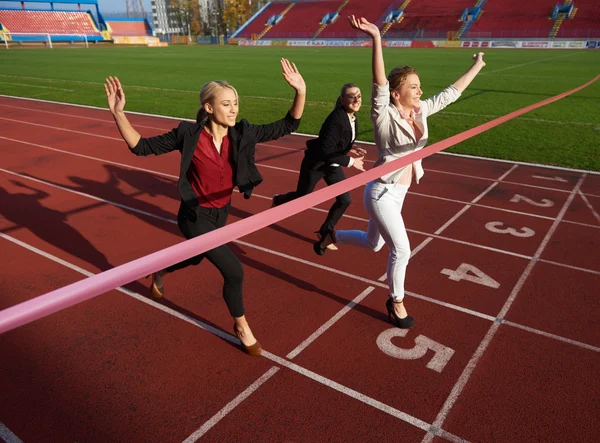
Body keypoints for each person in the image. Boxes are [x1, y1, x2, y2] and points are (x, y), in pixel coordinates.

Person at [104, 59, 306, 355]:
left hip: (221, 213)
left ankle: (160, 270)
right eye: (226, 104)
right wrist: (118, 114)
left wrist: (300, 91)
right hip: (194, 216)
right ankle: (242, 326)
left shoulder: (242, 133)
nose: (234, 109)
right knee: (234, 271)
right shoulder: (188, 135)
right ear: (209, 108)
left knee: (196, 258)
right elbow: (141, 147)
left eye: (235, 103)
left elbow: (288, 125)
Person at [316, 16, 486, 329]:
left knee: (373, 243)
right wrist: (376, 38)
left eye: (420, 86)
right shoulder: (383, 114)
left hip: (401, 191)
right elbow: (379, 82)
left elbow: (450, 94)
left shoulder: (420, 110)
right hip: (381, 191)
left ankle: (332, 234)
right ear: (396, 93)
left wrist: (477, 66)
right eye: (413, 87)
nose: (420, 91)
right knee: (402, 249)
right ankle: (396, 302)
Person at [271, 83, 366, 253]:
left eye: (358, 95)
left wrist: (351, 147)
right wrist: (351, 161)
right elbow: (324, 150)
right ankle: (279, 200)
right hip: (316, 164)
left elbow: (337, 141)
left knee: (345, 200)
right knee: (303, 197)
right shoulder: (336, 119)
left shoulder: (351, 117)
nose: (356, 99)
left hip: (332, 164)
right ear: (343, 100)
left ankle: (325, 233)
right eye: (351, 96)